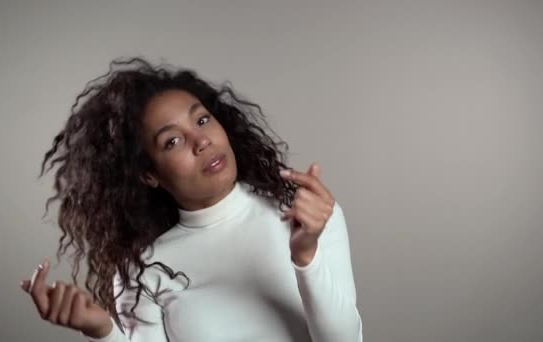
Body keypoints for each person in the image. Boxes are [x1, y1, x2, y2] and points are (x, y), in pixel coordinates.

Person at [20, 57, 363, 341]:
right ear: (148, 174)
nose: (200, 141)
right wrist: (102, 331)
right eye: (172, 141)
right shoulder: (144, 269)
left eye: (202, 120)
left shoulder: (306, 214)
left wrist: (306, 256)